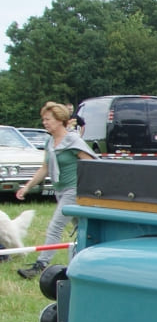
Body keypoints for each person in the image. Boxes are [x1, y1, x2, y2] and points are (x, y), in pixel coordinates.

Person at [14, 101, 98, 278]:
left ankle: (40, 265)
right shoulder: (50, 142)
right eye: (43, 119)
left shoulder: (73, 140)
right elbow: (45, 168)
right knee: (83, 228)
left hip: (74, 190)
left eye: (48, 119)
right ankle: (93, 259)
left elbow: (91, 163)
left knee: (55, 226)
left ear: (60, 120)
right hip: (60, 190)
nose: (44, 122)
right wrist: (27, 187)